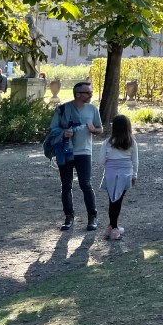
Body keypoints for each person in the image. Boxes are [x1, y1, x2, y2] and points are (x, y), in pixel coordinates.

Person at [52, 82, 104, 230]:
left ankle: (92, 217)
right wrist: (63, 133)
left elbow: (100, 129)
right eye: (88, 92)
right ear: (78, 94)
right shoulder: (62, 109)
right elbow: (52, 129)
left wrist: (94, 130)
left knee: (85, 184)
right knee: (66, 185)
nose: (91, 95)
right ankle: (68, 217)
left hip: (84, 152)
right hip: (65, 152)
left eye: (91, 92)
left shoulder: (93, 109)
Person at [95, 114, 138, 240]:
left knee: (112, 201)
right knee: (118, 201)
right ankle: (114, 228)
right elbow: (135, 161)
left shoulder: (107, 143)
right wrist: (134, 175)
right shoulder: (132, 143)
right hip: (125, 175)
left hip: (110, 175)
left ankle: (111, 226)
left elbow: (100, 161)